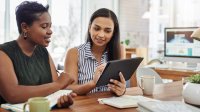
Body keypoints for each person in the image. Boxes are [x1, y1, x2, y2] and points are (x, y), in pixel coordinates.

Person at [0, 1, 76, 108]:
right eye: (44, 26)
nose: (50, 31)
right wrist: (58, 84)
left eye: (50, 26)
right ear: (25, 27)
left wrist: (61, 99)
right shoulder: (3, 53)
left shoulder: (43, 52)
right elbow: (12, 94)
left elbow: (55, 91)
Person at [64, 8, 126, 96]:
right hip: (84, 107)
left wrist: (121, 89)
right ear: (90, 28)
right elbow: (68, 89)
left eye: (107, 31)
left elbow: (121, 83)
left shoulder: (119, 50)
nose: (101, 35)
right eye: (97, 29)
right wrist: (93, 83)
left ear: (113, 33)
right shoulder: (74, 53)